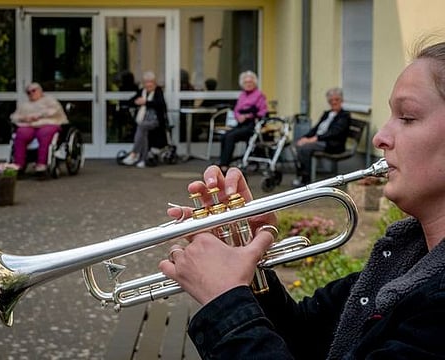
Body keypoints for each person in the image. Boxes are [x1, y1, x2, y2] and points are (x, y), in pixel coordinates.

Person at [159, 39, 445, 358]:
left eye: (406, 117)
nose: (380, 137)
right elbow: (304, 337)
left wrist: (225, 302)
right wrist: (243, 260)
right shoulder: (405, 258)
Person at [292, 88, 350, 186]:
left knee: (305, 148)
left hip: (332, 144)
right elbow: (315, 128)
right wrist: (305, 137)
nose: (334, 102)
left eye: (337, 100)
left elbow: (333, 132)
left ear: (341, 101)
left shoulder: (344, 116)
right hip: (320, 140)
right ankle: (301, 174)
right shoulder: (327, 114)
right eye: (331, 100)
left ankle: (306, 179)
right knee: (296, 144)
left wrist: (314, 139)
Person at [10, 82, 68, 177]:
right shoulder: (25, 105)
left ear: (40, 91)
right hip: (29, 125)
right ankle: (18, 164)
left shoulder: (49, 100)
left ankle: (42, 164)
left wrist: (39, 115)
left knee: (44, 134)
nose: (31, 93)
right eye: (28, 92)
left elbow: (55, 111)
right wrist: (24, 118)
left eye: (34, 90)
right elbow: (14, 116)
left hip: (49, 123)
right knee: (20, 134)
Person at [218, 70, 268, 174]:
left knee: (231, 136)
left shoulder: (259, 95)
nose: (248, 84)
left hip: (252, 124)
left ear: (254, 83)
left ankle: (224, 166)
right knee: (224, 136)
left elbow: (263, 112)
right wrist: (239, 117)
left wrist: (247, 116)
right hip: (241, 123)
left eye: (250, 82)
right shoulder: (242, 95)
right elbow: (236, 110)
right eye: (246, 82)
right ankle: (223, 162)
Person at [121, 71, 168, 168]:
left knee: (142, 126)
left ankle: (134, 154)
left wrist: (146, 102)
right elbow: (131, 101)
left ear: (154, 82)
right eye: (146, 82)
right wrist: (136, 102)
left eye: (150, 82)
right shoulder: (142, 91)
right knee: (143, 129)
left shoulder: (158, 91)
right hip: (144, 121)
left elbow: (160, 104)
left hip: (155, 121)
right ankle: (143, 159)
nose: (148, 84)